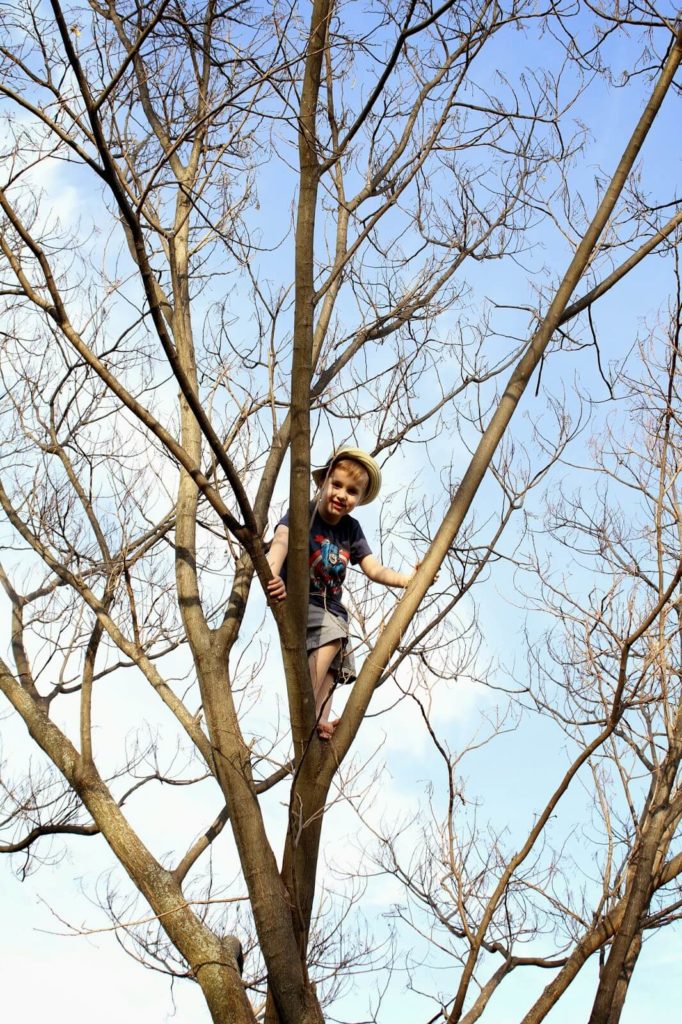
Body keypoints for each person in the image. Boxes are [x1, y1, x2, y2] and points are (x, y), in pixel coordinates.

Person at [266, 447, 415, 739]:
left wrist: (409, 580)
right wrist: (272, 574)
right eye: (336, 485)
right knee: (333, 635)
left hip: (330, 607)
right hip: (301, 599)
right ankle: (305, 702)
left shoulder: (351, 529)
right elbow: (281, 540)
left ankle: (320, 718)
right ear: (323, 483)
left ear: (358, 499)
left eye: (352, 491)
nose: (342, 495)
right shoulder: (305, 512)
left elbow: (373, 569)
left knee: (336, 661)